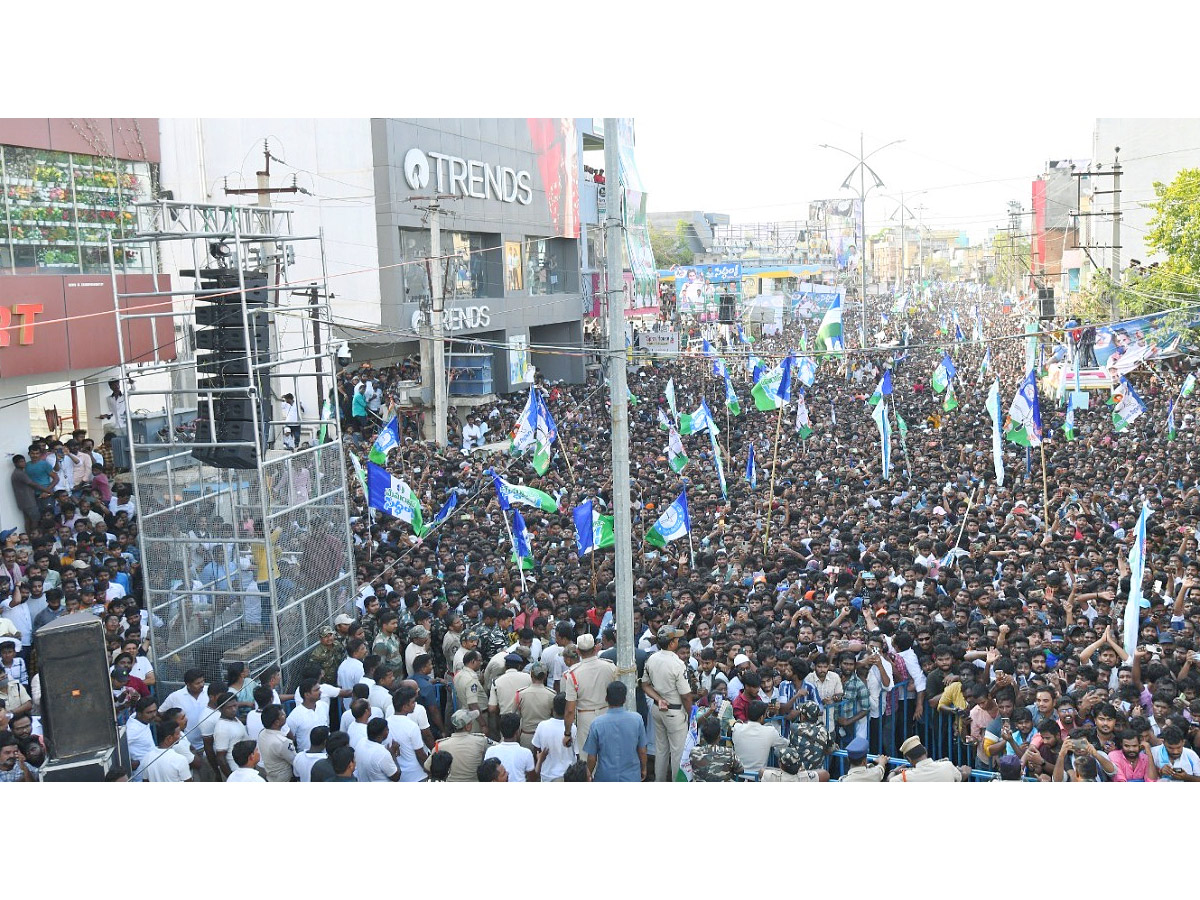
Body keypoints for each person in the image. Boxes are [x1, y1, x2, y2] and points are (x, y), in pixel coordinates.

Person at [641, 624, 692, 781]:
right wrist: (691, 715)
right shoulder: (677, 663)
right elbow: (685, 695)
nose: (678, 640)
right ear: (672, 643)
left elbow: (644, 685)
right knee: (677, 752)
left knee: (661, 750)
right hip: (674, 712)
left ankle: (659, 781)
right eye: (676, 638)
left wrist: (658, 699)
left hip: (658, 708)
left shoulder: (652, 658)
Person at [582, 680, 647, 782]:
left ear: (606, 698)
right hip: (631, 776)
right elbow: (642, 751)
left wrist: (588, 774)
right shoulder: (637, 719)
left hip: (605, 777)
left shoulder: (597, 723)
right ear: (625, 699)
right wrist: (643, 769)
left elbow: (592, 757)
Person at [562, 631, 617, 749]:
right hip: (607, 713)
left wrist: (567, 733)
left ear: (578, 651)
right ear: (595, 648)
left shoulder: (572, 674)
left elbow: (570, 710)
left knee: (587, 757)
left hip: (585, 717)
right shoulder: (610, 666)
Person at [426, 709, 491, 781]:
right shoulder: (481, 741)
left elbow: (427, 767)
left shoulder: (440, 746)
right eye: (471, 722)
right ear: (467, 726)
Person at [732, 700, 789, 772]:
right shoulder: (770, 731)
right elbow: (786, 743)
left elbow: (735, 725)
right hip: (759, 777)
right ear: (762, 717)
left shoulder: (737, 728)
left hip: (739, 775)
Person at [532, 691, 577, 781]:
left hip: (547, 776)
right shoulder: (572, 728)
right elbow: (577, 753)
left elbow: (536, 750)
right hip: (567, 776)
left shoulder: (542, 726)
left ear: (553, 709)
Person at [888, 735, 972, 782]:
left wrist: (893, 772)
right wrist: (966, 772)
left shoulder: (905, 777)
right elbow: (959, 777)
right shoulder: (947, 766)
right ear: (926, 751)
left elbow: (890, 781)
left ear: (909, 759)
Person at [483, 712, 537, 782]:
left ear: (501, 732)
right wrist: (540, 760)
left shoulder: (490, 751)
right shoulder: (526, 753)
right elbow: (533, 779)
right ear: (517, 732)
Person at [689, 716, 743, 781]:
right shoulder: (729, 753)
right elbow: (740, 770)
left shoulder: (694, 753)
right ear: (719, 736)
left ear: (704, 736)